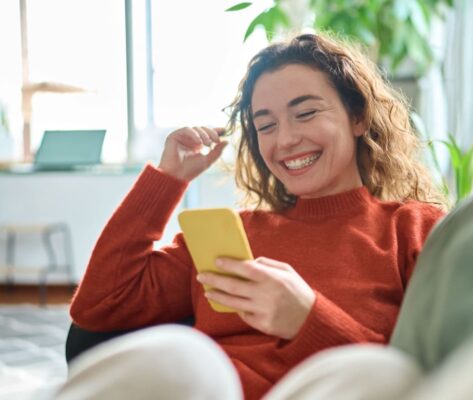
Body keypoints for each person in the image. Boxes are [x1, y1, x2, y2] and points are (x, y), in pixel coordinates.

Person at [59, 33, 446, 400]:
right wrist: (166, 182)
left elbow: (428, 374)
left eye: (306, 112)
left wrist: (308, 320)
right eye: (266, 125)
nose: (285, 140)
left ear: (357, 117)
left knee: (387, 373)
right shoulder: (235, 235)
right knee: (184, 356)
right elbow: (98, 307)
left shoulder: (414, 229)